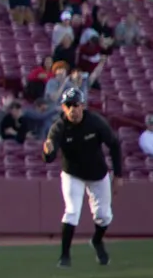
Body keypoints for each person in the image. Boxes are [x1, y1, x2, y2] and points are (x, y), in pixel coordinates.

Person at [42, 86, 120, 267]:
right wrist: (47, 152)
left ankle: (97, 241)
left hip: (97, 174)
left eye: (76, 105)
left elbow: (114, 144)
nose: (72, 110)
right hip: (73, 174)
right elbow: (49, 155)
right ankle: (65, 256)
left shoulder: (95, 122)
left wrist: (119, 174)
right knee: (71, 212)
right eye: (68, 105)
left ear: (82, 106)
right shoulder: (59, 127)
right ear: (63, 108)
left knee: (104, 216)